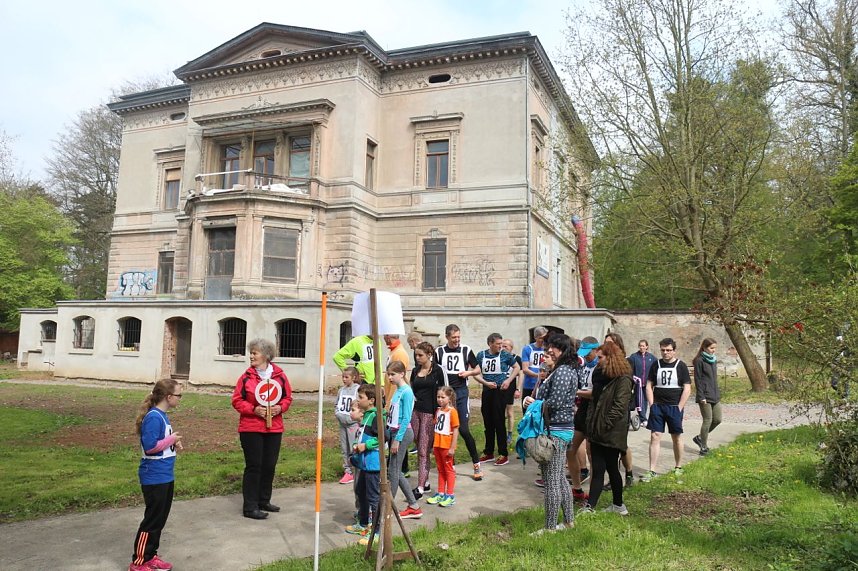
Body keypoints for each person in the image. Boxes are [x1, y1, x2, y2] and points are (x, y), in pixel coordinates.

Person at [231, 338, 293, 519]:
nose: (251, 356)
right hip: (251, 428)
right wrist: (253, 410)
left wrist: (280, 408)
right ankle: (250, 507)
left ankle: (263, 500)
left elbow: (287, 398)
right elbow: (236, 400)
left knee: (269, 465)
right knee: (254, 466)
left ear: (266, 355)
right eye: (251, 353)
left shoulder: (280, 376)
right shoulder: (246, 377)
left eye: (254, 353)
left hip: (274, 428)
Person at [523, 334, 576, 533]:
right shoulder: (561, 370)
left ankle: (550, 528)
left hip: (557, 431)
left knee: (552, 480)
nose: (548, 351)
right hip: (558, 429)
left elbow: (555, 402)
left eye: (552, 347)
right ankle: (569, 521)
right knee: (560, 478)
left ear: (561, 349)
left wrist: (533, 403)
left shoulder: (562, 372)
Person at [129, 379, 183, 571]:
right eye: (179, 395)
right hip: (154, 477)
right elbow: (150, 446)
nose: (180, 399)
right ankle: (139, 561)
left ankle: (151, 556)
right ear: (168, 397)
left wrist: (172, 443)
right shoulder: (153, 417)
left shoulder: (162, 416)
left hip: (165, 476)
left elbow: (161, 443)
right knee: (152, 520)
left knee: (159, 520)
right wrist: (170, 439)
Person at [581, 342, 634, 515]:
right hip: (597, 429)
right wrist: (592, 426)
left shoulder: (624, 377)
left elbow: (620, 407)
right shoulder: (599, 374)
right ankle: (590, 507)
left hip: (612, 431)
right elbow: (594, 402)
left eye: (601, 357)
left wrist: (603, 425)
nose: (597, 361)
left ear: (610, 357)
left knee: (612, 468)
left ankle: (619, 505)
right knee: (597, 469)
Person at [435, 324, 483, 480]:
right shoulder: (439, 351)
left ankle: (476, 464)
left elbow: (478, 369)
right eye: (454, 337)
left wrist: (468, 372)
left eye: (458, 337)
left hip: (461, 393)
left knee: (463, 429)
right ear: (447, 337)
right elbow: (434, 370)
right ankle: (451, 466)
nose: (457, 340)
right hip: (446, 394)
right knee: (447, 430)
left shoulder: (466, 350)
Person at [641, 337, 692, 482]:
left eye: (668, 350)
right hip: (658, 406)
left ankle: (678, 466)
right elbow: (649, 385)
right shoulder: (656, 365)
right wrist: (652, 404)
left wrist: (680, 407)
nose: (665, 353)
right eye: (663, 350)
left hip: (674, 407)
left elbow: (687, 388)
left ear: (674, 351)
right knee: (655, 436)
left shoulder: (681, 366)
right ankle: (652, 470)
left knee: (676, 436)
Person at [345, 384, 384, 545]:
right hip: (363, 462)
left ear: (371, 400)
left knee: (373, 498)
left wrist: (365, 446)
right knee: (360, 492)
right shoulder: (367, 415)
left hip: (373, 463)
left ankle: (375, 531)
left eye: (361, 397)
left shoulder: (377, 416)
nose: (358, 400)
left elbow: (383, 437)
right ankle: (362, 523)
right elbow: (362, 434)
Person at [475, 333, 520, 466]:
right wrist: (485, 383)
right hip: (487, 391)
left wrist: (508, 380)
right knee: (488, 423)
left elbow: (517, 368)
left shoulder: (505, 355)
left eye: (502, 344)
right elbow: (475, 372)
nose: (501, 346)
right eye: (498, 344)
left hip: (500, 392)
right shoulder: (481, 355)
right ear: (490, 343)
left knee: (499, 422)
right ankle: (488, 451)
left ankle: (503, 453)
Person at [385, 361, 423, 519]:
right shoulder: (398, 390)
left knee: (393, 471)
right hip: (394, 432)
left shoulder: (406, 392)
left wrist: (397, 440)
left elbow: (407, 417)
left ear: (402, 374)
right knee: (396, 471)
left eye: (392, 374)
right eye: (388, 374)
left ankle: (388, 507)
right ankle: (414, 506)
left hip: (403, 433)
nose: (390, 377)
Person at [410, 341, 445, 496]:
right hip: (415, 412)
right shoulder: (415, 370)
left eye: (420, 355)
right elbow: (412, 390)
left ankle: (420, 487)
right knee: (418, 447)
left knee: (424, 450)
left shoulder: (437, 371)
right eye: (416, 355)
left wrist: (440, 413)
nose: (417, 358)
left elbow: (445, 392)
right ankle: (426, 481)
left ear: (429, 355)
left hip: (429, 414)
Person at [568, 336, 599, 501]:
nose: (586, 356)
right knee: (570, 449)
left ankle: (594, 489)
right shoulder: (585, 366)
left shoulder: (600, 367)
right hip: (582, 409)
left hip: (594, 411)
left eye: (589, 353)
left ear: (596, 349)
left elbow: (596, 393)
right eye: (584, 353)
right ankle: (576, 488)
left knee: (591, 452)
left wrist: (576, 391)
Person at [426, 386, 460, 507]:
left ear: (449, 398)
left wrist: (452, 447)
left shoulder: (453, 412)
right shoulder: (438, 410)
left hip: (446, 445)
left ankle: (450, 495)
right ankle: (441, 493)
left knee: (448, 470)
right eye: (438, 397)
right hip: (437, 444)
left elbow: (456, 429)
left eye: (443, 397)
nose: (440, 399)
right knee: (440, 469)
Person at [693, 338, 721, 455]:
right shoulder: (699, 361)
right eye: (711, 348)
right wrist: (701, 396)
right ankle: (703, 447)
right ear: (704, 348)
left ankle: (700, 437)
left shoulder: (713, 360)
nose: (713, 350)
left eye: (714, 348)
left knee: (717, 419)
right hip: (704, 396)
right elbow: (698, 380)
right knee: (707, 420)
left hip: (714, 394)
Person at [335, 366, 361, 485]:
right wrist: (337, 414)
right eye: (343, 377)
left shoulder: (357, 390)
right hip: (342, 424)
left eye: (347, 377)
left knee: (353, 447)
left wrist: (353, 418)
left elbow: (360, 406)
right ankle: (347, 471)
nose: (344, 379)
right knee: (344, 448)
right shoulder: (341, 390)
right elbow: (337, 404)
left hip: (353, 425)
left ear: (354, 378)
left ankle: (356, 469)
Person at [521, 327, 549, 412]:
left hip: (543, 386)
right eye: (541, 338)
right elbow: (525, 369)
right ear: (536, 337)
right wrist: (538, 375)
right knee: (528, 410)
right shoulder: (527, 349)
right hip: (529, 385)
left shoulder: (548, 349)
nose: (543, 340)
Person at [629, 339, 657, 425]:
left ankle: (643, 418)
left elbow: (656, 367)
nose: (642, 347)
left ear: (647, 347)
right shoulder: (634, 357)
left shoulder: (651, 357)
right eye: (640, 346)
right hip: (638, 383)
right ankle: (643, 418)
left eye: (643, 346)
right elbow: (630, 369)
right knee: (639, 400)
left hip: (648, 383)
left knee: (645, 400)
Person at [501, 338, 522, 446]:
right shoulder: (499, 357)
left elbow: (520, 374)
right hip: (500, 386)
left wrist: (518, 389)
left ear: (511, 348)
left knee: (509, 411)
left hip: (510, 386)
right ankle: (501, 433)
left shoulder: (516, 358)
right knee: (500, 411)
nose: (503, 348)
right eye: (502, 346)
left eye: (506, 346)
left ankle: (509, 433)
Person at [384, 334, 410, 405]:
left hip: (395, 400)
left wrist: (389, 402)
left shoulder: (399, 353)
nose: (383, 338)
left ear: (388, 336)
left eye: (384, 335)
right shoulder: (394, 351)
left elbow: (397, 380)